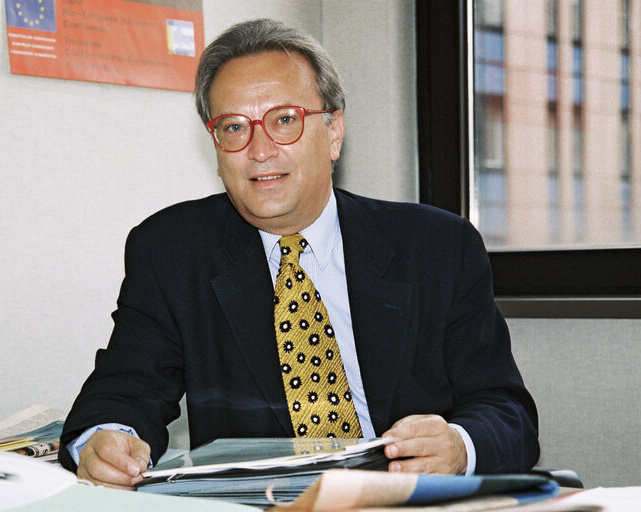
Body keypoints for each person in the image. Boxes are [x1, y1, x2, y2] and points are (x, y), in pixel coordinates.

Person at [59, 19, 539, 486]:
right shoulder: (170, 250)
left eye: (284, 120)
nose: (260, 150)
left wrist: (459, 445)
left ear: (333, 132)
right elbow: (125, 390)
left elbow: (505, 409)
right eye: (233, 128)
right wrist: (109, 439)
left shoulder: (437, 246)